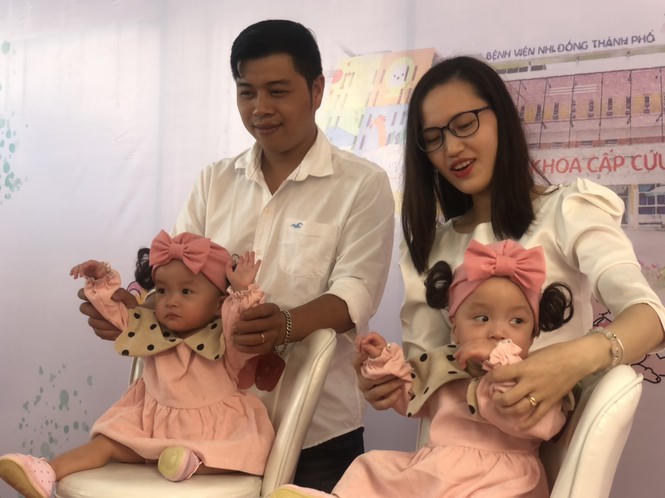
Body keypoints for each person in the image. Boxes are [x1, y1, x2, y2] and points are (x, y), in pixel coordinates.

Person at [78, 20, 394, 492]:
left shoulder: (362, 184)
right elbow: (173, 278)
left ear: (317, 90)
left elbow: (355, 293)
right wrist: (128, 312)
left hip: (317, 430)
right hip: (203, 431)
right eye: (247, 92)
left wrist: (286, 324)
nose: (260, 108)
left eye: (277, 91)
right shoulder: (215, 181)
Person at [359, 55, 665, 433]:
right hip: (449, 450)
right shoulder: (430, 248)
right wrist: (386, 378)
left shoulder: (569, 209)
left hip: (542, 452)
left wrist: (569, 361)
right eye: (433, 138)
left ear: (502, 119)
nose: (451, 148)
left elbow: (650, 317)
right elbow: (426, 382)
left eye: (464, 125)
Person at [269, 239, 575, 498]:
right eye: (482, 318)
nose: (497, 332)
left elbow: (545, 423)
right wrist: (382, 362)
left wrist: (500, 363)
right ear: (455, 328)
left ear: (533, 334)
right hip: (436, 470)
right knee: (373, 467)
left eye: (517, 321)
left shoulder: (537, 375)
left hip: (500, 481)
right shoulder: (445, 365)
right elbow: (408, 395)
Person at [1, 231, 274, 498]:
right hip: (149, 425)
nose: (171, 301)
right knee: (107, 444)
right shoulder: (149, 327)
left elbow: (242, 322)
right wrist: (101, 279)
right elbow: (116, 313)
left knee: (243, 454)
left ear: (218, 304)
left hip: (212, 432)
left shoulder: (226, 338)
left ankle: (194, 464)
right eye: (163, 291)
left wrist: (242, 290)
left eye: (186, 291)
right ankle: (46, 471)